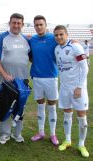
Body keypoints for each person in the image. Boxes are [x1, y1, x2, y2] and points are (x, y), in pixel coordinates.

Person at [0, 13, 31, 144]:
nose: (16, 25)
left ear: (22, 25)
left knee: (20, 107)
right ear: (9, 23)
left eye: (19, 23)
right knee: (6, 106)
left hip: (23, 80)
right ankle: (5, 134)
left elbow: (32, 57)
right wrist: (5, 74)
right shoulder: (2, 37)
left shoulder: (26, 39)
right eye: (14, 22)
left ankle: (17, 133)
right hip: (7, 80)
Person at [54, 25, 89, 158]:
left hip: (78, 88)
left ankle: (81, 144)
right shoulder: (56, 49)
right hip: (64, 87)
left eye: (61, 34)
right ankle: (68, 140)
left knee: (81, 116)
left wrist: (79, 87)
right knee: (67, 114)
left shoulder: (76, 47)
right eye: (56, 35)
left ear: (66, 34)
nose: (59, 37)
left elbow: (84, 67)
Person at [29, 15, 59, 145]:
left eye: (41, 24)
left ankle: (53, 134)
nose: (39, 27)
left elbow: (65, 42)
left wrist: (73, 41)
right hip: (37, 77)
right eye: (36, 25)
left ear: (46, 25)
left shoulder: (53, 38)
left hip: (51, 77)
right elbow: (30, 56)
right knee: (40, 105)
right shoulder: (32, 40)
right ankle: (41, 132)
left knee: (52, 106)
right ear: (34, 26)